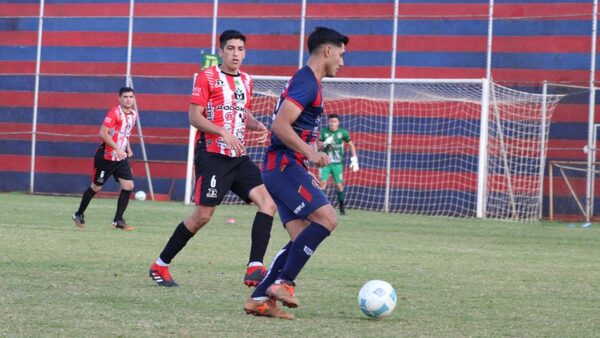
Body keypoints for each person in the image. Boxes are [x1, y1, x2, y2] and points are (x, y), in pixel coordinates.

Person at [148, 30, 277, 289]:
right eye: (230, 48)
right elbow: (194, 117)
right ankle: (160, 265)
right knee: (202, 216)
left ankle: (254, 267)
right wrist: (222, 132)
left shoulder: (247, 81)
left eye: (240, 49)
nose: (236, 53)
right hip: (212, 154)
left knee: (268, 202)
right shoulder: (207, 77)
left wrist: (259, 126)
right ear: (221, 51)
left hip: (237, 157)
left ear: (245, 52)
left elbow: (242, 115)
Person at [243, 27, 348, 320]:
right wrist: (311, 153)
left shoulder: (310, 82)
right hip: (282, 166)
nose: (342, 61)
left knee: (301, 236)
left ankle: (259, 299)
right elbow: (279, 126)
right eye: (341, 54)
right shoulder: (307, 82)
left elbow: (296, 127)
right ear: (327, 51)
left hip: (286, 167)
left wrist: (305, 162)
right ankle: (283, 283)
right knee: (328, 219)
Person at [72, 87, 137, 231]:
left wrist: (127, 148)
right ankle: (78, 214)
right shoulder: (114, 113)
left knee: (128, 186)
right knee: (96, 187)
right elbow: (103, 133)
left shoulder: (133, 114)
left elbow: (125, 134)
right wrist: (118, 149)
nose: (128, 99)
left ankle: (118, 220)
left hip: (120, 158)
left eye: (131, 97)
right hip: (106, 157)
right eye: (125, 97)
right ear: (119, 98)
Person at [319, 114, 358, 215]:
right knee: (323, 183)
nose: (332, 123)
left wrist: (354, 159)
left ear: (338, 122)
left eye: (334, 121)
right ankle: (322, 209)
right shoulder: (324, 131)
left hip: (337, 164)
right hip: (326, 163)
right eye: (331, 121)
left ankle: (341, 209)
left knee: (339, 186)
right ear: (328, 122)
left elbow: (351, 145)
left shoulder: (343, 133)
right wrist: (325, 143)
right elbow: (319, 147)